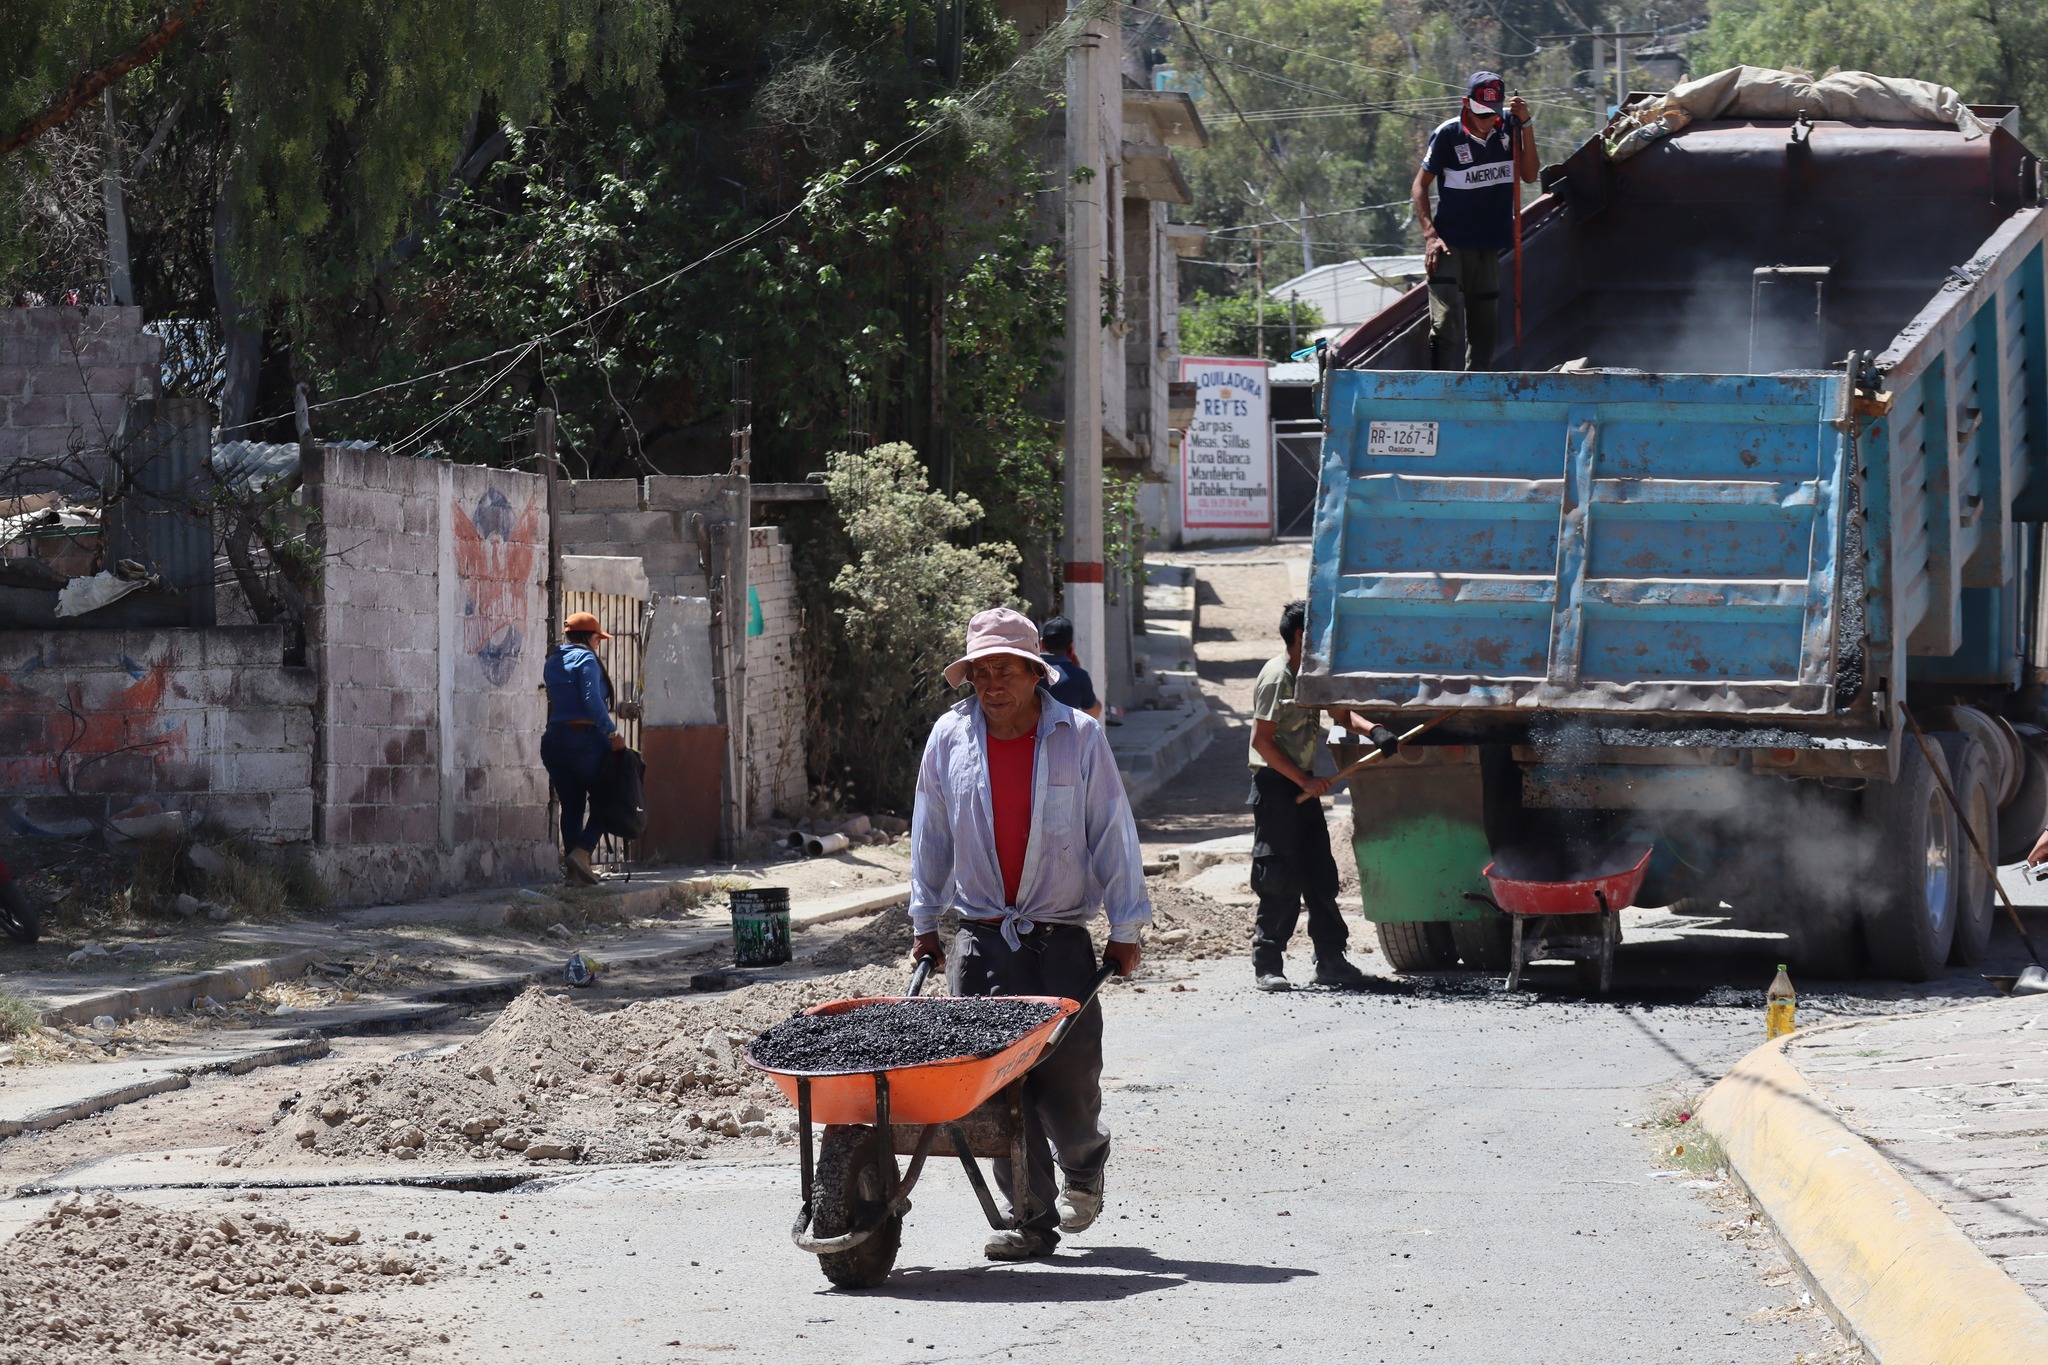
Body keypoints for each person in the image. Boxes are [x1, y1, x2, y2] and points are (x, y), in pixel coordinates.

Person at [910, 606, 1149, 1261]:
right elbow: (930, 832)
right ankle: (1029, 1216)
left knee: (1069, 1084)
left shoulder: (1079, 736)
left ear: (1033, 672)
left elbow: (1111, 831)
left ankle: (1084, 1161)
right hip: (982, 938)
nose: (992, 683)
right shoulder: (949, 738)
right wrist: (925, 920)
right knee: (996, 1087)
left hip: (1061, 936)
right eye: (980, 671)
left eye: (1005, 670)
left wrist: (1126, 926)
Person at [1248, 600, 1399, 992]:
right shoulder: (1275, 678)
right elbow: (1261, 742)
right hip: (1276, 786)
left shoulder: (1312, 675)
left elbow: (1342, 714)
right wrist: (1301, 780)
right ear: (1302, 636)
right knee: (1278, 877)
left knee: (1320, 874)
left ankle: (1331, 960)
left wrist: (1376, 731)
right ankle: (1268, 965)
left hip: (1302, 783)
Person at [1410, 71, 1540, 372]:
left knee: (1485, 334)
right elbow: (1419, 185)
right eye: (1480, 112)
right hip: (1450, 245)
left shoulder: (1510, 126)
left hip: (1489, 245)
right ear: (1466, 103)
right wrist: (1430, 235)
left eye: (1491, 114)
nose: (1485, 121)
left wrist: (1527, 123)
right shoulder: (1448, 134)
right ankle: (1439, 390)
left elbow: (1530, 175)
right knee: (1445, 326)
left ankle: (1474, 397)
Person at [541, 611, 625, 885]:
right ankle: (584, 850)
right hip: (584, 739)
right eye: (597, 638)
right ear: (590, 638)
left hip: (555, 741)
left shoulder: (553, 659)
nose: (598, 643)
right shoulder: (587, 658)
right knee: (613, 795)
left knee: (572, 805)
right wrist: (612, 732)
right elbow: (591, 699)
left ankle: (574, 876)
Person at [1037, 615, 1103, 720]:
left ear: (1041, 643)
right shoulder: (1080, 677)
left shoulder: (1027, 669)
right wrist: (1077, 671)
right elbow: (1093, 713)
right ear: (1071, 646)